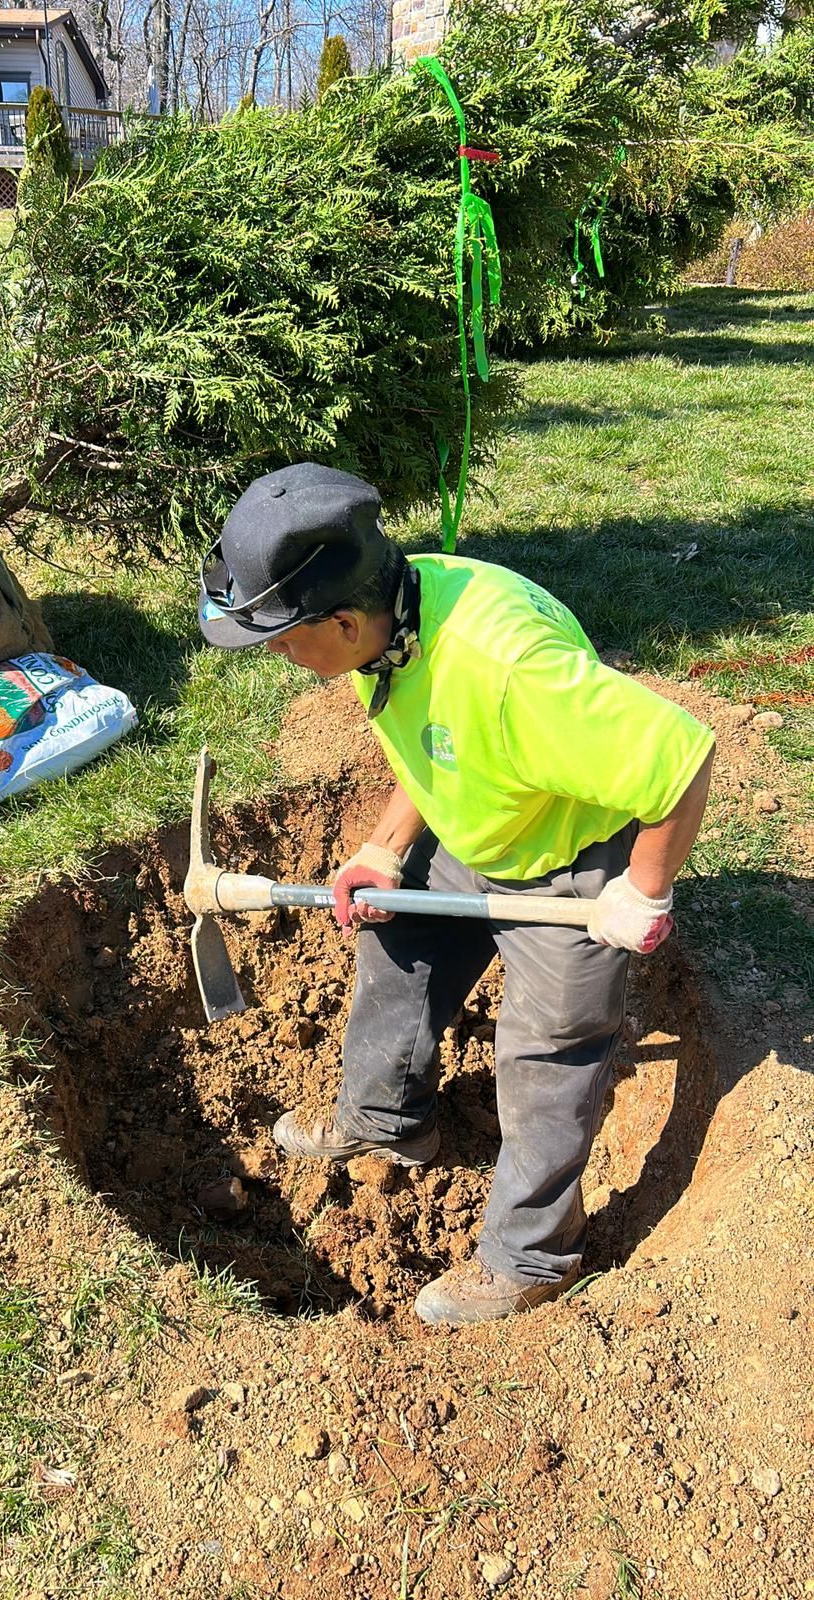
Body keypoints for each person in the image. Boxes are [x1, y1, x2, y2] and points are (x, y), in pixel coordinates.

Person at [198, 462, 714, 1327]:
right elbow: (431, 733)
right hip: (476, 825)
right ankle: (385, 1121)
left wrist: (645, 891)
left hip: (568, 858)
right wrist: (385, 847)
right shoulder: (387, 618)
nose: (281, 658)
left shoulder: (508, 669)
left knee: (547, 1055)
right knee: (394, 944)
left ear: (342, 622)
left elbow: (681, 757)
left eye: (283, 642)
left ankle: (530, 1257)